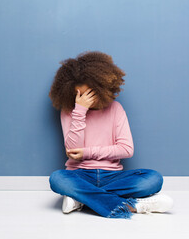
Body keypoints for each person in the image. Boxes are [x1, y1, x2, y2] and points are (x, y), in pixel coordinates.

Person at [47, 51, 173, 219]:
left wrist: (88, 152)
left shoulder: (115, 109)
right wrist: (80, 111)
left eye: (90, 94)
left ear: (100, 87)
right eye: (80, 96)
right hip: (79, 175)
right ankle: (135, 206)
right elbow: (72, 150)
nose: (86, 100)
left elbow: (126, 149)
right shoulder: (71, 111)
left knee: (153, 179)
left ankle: (81, 199)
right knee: (57, 179)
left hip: (113, 176)